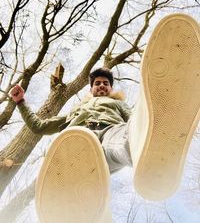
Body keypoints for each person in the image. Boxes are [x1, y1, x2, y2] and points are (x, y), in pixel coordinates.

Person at [10, 13, 200, 222]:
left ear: (110, 89)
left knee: (127, 141)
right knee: (86, 173)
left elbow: (133, 124)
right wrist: (20, 102)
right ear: (91, 89)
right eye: (97, 83)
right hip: (79, 140)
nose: (101, 85)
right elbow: (39, 126)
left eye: (105, 84)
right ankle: (88, 212)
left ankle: (148, 153)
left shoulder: (117, 104)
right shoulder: (74, 113)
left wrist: (148, 126)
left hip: (112, 132)